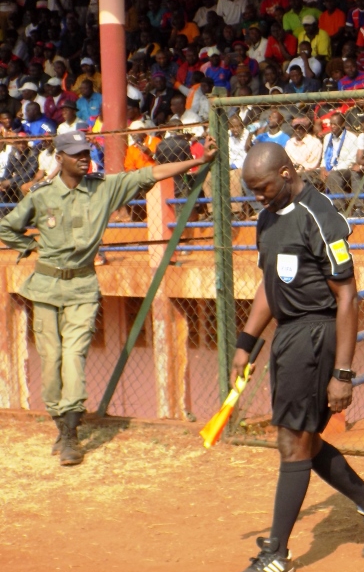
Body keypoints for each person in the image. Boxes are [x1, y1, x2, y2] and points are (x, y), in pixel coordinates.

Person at [231, 142, 364, 572]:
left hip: (317, 334)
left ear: (286, 173)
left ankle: (276, 553)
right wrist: (246, 343)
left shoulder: (319, 215)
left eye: (263, 187)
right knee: (299, 437)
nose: (258, 197)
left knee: (293, 441)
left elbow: (348, 297)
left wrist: (343, 373)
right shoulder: (267, 219)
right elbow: (269, 285)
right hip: (287, 337)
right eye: (252, 190)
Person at [0, 132, 218, 465]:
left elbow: (150, 174)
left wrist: (198, 161)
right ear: (59, 158)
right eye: (76, 154)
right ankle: (61, 424)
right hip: (45, 288)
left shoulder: (103, 188)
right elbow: (7, 227)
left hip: (82, 288)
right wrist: (29, 246)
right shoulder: (42, 196)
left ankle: (71, 434)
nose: (83, 158)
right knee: (51, 361)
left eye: (86, 152)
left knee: (73, 357)